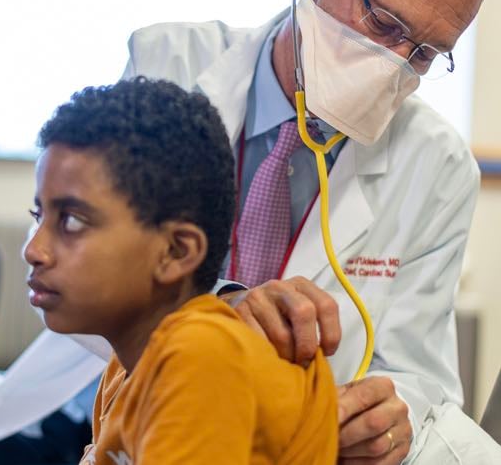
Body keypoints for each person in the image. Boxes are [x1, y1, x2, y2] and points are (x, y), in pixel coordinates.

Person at [0, 0, 501, 465]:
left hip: (281, 441)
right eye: (383, 23)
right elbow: (83, 254)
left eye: (425, 54)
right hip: (108, 399)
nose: (394, 64)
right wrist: (216, 311)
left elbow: (419, 372)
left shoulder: (440, 166)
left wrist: (387, 416)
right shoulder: (169, 63)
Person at [26, 77, 338, 464]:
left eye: (71, 221)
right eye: (38, 216)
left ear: (176, 251)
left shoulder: (203, 356)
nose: (33, 250)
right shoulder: (127, 367)